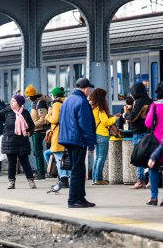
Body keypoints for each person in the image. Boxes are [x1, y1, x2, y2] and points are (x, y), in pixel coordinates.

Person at [0, 95, 36, 189]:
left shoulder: (25, 113)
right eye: (11, 101)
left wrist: (30, 132)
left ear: (19, 103)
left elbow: (32, 125)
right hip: (10, 141)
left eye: (13, 101)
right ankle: (11, 182)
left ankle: (31, 181)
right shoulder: (7, 111)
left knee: (25, 163)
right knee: (12, 163)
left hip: (22, 141)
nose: (11, 102)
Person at [58, 78, 96, 208]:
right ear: (86, 89)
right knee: (77, 170)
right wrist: (91, 144)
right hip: (78, 140)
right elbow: (85, 125)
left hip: (68, 139)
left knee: (78, 169)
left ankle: (80, 198)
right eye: (89, 90)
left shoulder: (67, 100)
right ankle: (73, 200)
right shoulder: (82, 102)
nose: (89, 92)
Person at [123, 83, 153, 189]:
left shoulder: (139, 102)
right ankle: (150, 180)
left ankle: (140, 180)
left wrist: (125, 114)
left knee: (139, 156)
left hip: (139, 132)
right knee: (149, 156)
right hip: (149, 132)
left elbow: (133, 117)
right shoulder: (150, 100)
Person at [90, 88, 120, 185]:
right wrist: (115, 118)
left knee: (98, 157)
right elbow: (105, 122)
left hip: (96, 134)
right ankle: (98, 179)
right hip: (102, 134)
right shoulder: (100, 109)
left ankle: (95, 178)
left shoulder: (93, 108)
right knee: (101, 157)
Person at [44, 87, 71, 187]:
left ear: (55, 95)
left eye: (52, 95)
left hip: (58, 134)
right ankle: (66, 178)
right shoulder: (67, 103)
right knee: (66, 158)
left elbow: (55, 119)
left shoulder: (56, 104)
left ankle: (63, 180)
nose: (51, 96)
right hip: (67, 133)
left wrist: (47, 115)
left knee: (59, 158)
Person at [24, 84, 50, 180]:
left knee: (38, 152)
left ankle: (40, 172)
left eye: (28, 96)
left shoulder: (40, 103)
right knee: (36, 152)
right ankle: (42, 171)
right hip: (36, 130)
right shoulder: (35, 103)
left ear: (32, 96)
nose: (27, 98)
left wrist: (31, 125)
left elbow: (43, 119)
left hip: (39, 130)